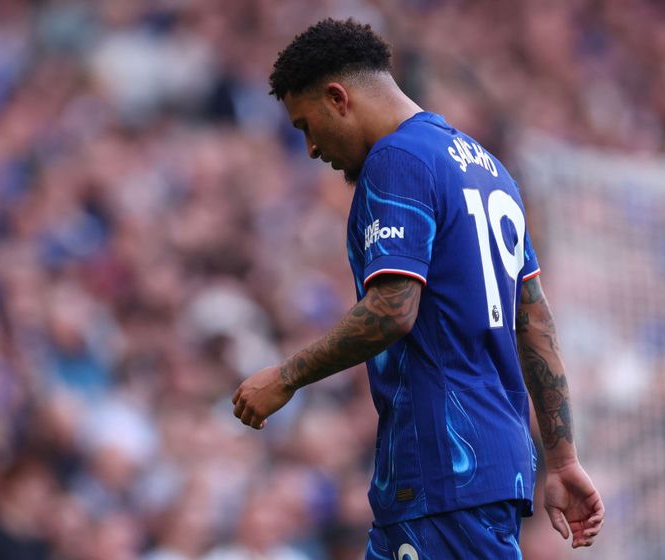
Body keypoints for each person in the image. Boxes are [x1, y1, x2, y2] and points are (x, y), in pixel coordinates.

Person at [232, 18, 604, 558]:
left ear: (338, 98)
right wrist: (563, 458)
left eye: (306, 125)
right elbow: (535, 319)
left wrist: (287, 377)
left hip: (444, 471)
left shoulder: (397, 158)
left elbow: (393, 307)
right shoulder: (489, 169)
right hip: (466, 472)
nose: (311, 147)